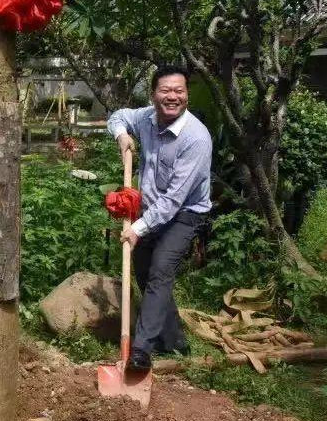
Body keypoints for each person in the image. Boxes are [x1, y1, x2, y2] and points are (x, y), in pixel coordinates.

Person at [107, 65, 212, 371]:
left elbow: (174, 200)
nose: (172, 97)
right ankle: (175, 342)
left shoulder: (196, 139)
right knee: (143, 272)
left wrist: (137, 227)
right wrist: (122, 135)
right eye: (165, 90)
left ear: (186, 96)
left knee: (160, 271)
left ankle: (140, 352)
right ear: (153, 94)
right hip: (152, 209)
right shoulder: (146, 118)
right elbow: (118, 116)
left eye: (179, 91)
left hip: (185, 214)